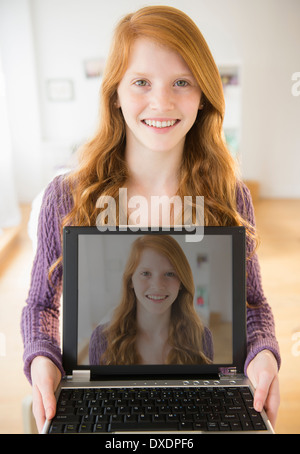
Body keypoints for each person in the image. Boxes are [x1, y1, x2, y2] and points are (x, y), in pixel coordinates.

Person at [21, 5, 280, 433]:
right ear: (115, 93)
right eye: (141, 82)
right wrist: (44, 359)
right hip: (98, 405)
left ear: (203, 95)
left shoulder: (229, 196)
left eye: (182, 82)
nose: (162, 102)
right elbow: (41, 304)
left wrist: (264, 356)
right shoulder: (65, 197)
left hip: (203, 407)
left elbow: (252, 305)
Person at [89, 235, 213, 365]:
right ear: (131, 280)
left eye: (170, 274)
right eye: (146, 273)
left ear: (181, 282)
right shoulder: (101, 340)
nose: (158, 286)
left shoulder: (202, 339)